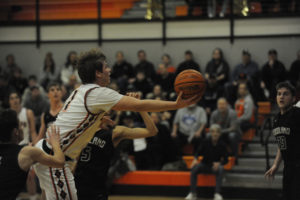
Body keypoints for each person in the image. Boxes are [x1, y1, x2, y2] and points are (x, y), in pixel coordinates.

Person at [33, 48, 201, 200]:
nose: (109, 70)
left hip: (51, 154)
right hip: (54, 158)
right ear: (98, 73)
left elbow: (75, 119)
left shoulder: (80, 90)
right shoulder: (98, 93)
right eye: (106, 67)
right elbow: (140, 105)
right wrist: (176, 105)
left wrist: (96, 120)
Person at [74, 93, 158, 200]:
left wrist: (139, 106)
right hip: (76, 186)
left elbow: (152, 131)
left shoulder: (114, 133)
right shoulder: (81, 131)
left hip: (97, 188)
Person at [0, 109, 65, 200]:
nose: (22, 128)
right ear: (16, 132)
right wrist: (55, 143)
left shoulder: (23, 152)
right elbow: (60, 162)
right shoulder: (26, 153)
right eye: (20, 125)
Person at [265, 82, 300, 200]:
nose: (281, 97)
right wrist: (275, 164)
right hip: (288, 167)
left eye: (285, 94)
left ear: (293, 98)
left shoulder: (297, 114)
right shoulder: (277, 119)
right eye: (279, 94)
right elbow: (282, 143)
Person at [185, 124, 228, 200]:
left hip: (214, 167)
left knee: (221, 169)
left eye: (217, 132)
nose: (215, 134)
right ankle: (192, 193)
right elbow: (198, 152)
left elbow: (226, 160)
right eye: (213, 132)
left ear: (220, 134)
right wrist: (195, 159)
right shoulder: (205, 142)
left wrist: (219, 163)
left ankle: (217, 194)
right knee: (195, 168)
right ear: (210, 133)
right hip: (204, 165)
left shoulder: (223, 145)